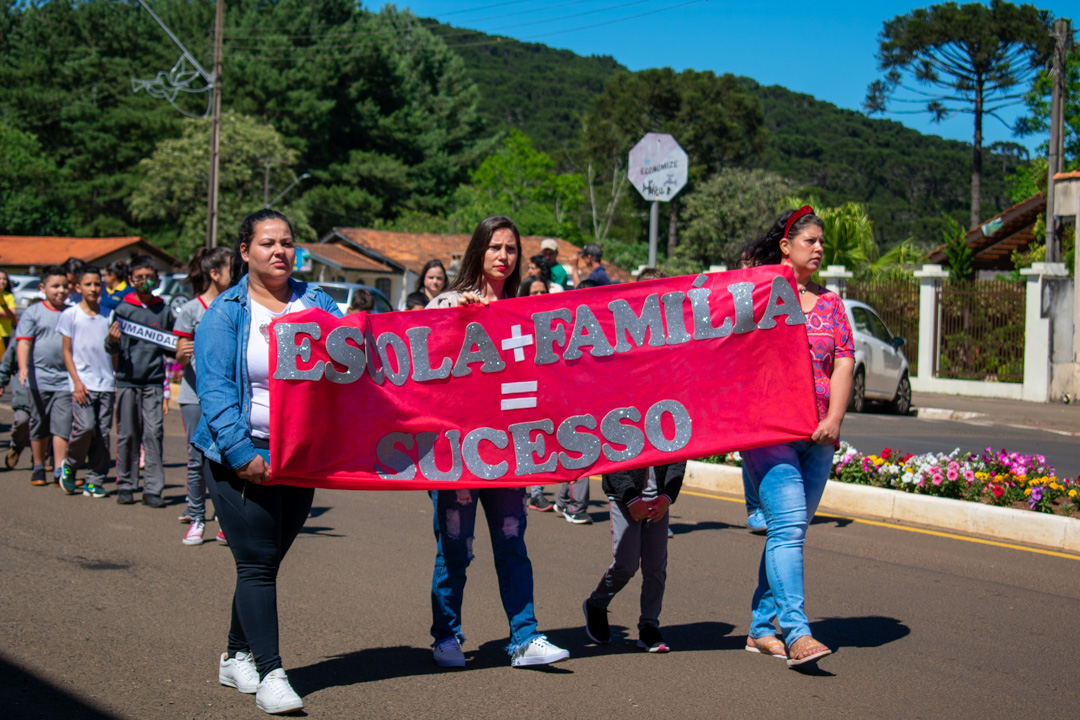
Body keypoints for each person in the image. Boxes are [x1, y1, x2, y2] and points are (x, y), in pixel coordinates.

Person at [192, 209, 341, 715]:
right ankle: (272, 672)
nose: (279, 251)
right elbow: (213, 392)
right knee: (256, 562)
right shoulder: (226, 313)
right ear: (245, 252)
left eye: (287, 243)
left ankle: (235, 656)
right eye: (268, 243)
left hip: (300, 455)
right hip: (238, 456)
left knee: (267, 559)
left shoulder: (316, 302)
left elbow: (357, 355)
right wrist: (240, 455)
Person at [426, 215, 569, 670]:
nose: (504, 257)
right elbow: (419, 357)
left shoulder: (525, 309)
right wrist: (453, 318)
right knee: (456, 549)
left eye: (511, 249)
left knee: (512, 545)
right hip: (458, 454)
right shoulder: (449, 301)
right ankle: (446, 637)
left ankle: (525, 637)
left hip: (509, 452)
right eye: (495, 248)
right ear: (478, 251)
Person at [738, 206, 853, 667]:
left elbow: (843, 360)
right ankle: (798, 632)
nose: (820, 248)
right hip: (770, 433)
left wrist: (836, 420)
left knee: (788, 531)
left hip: (819, 436)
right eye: (811, 241)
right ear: (786, 247)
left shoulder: (831, 303)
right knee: (787, 531)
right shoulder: (757, 296)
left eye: (822, 242)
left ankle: (760, 629)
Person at [583, 459, 685, 653]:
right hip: (625, 499)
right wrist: (630, 498)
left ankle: (649, 626)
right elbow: (610, 457)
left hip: (659, 502)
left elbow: (678, 459)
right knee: (626, 564)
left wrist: (667, 497)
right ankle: (596, 604)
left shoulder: (670, 426)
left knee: (656, 567)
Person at [173, 246, 233, 545]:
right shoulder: (191, 310)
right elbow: (179, 358)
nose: (236, 274)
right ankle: (197, 518)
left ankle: (226, 519)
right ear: (214, 273)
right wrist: (182, 356)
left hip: (229, 399)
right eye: (231, 268)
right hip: (194, 396)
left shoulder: (235, 305)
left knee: (227, 459)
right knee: (197, 460)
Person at [106, 256, 173, 507]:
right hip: (126, 382)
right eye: (140, 277)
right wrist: (112, 341)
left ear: (156, 278)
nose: (145, 281)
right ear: (131, 280)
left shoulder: (163, 309)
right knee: (127, 434)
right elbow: (109, 346)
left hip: (154, 382)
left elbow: (171, 347)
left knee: (154, 434)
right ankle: (126, 484)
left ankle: (153, 489)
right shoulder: (123, 309)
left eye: (150, 276)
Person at [56, 267, 114, 498]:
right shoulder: (70, 315)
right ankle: (69, 466)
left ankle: (94, 479)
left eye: (97, 284)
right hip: (83, 384)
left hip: (106, 383)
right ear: (78, 287)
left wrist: (115, 378)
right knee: (86, 426)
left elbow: (113, 352)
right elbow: (66, 351)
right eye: (88, 284)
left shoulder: (109, 314)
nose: (93, 288)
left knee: (102, 432)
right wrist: (76, 382)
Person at [15, 266, 71, 486]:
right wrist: (23, 368)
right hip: (39, 380)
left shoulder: (71, 312)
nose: (61, 291)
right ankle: (39, 466)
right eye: (55, 286)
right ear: (42, 288)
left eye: (64, 286)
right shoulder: (34, 312)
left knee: (62, 425)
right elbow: (24, 342)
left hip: (65, 380)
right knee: (39, 424)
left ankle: (59, 469)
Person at [0, 337, 31, 470]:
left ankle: (42, 460)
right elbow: (7, 363)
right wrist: (1, 381)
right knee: (22, 420)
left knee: (46, 425)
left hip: (51, 387)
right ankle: (16, 446)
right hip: (24, 388)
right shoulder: (21, 337)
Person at [0, 270, 17, 354]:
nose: (2, 281)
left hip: (5, 333)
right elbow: (9, 314)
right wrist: (6, 312)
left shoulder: (9, 296)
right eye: (0, 279)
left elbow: (13, 314)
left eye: (4, 279)